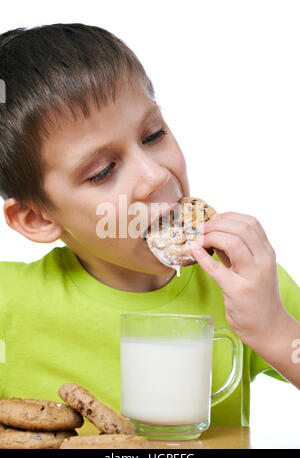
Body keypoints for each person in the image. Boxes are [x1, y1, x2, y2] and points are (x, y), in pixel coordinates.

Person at [0, 23, 299, 427]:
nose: (156, 175)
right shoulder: (9, 303)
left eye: (153, 134)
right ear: (38, 218)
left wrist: (276, 331)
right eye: (103, 171)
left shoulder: (247, 284)